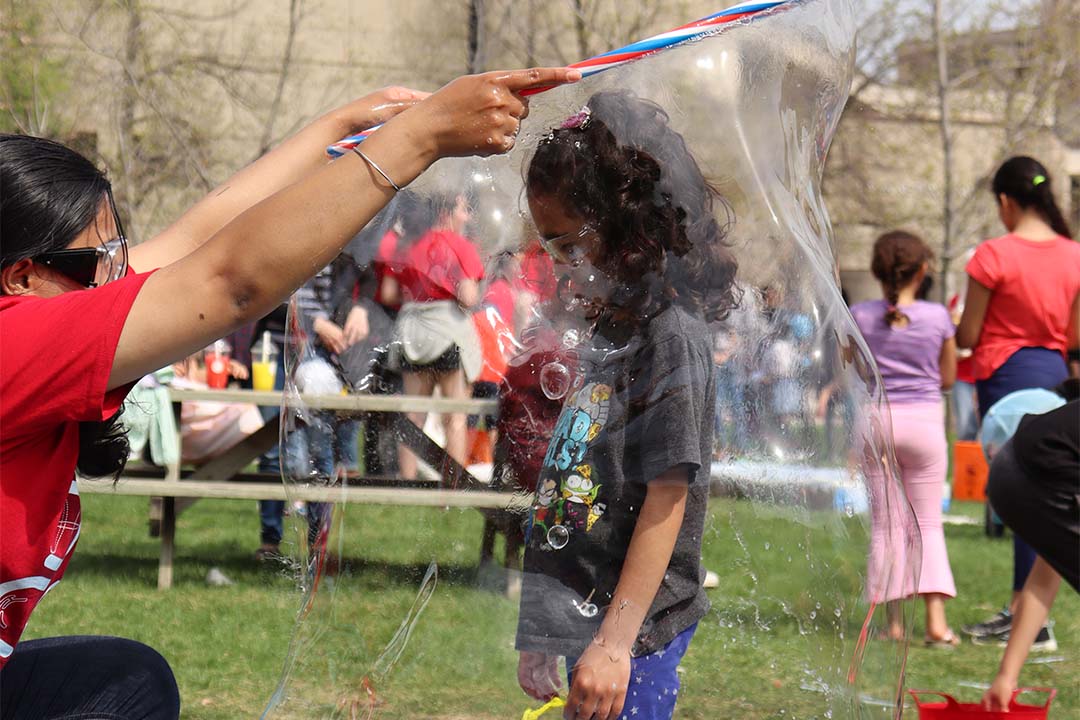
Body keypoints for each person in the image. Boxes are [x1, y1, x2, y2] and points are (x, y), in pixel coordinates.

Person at [0, 66, 580, 717]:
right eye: (99, 261)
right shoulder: (11, 345)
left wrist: (337, 132)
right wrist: (421, 138)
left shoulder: (35, 322)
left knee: (133, 679)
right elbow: (228, 283)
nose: (120, 277)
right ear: (21, 277)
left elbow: (197, 242)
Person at [514, 91, 738, 720]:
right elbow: (576, 481)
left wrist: (613, 644)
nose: (558, 267)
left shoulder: (671, 337)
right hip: (592, 624)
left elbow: (667, 498)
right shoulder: (612, 332)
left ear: (625, 228)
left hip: (634, 632)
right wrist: (544, 630)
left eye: (567, 245)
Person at [956, 156, 1080, 644]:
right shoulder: (1074, 254)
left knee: (1020, 493)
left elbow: (968, 332)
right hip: (1052, 375)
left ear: (1005, 202)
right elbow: (1074, 337)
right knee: (1046, 493)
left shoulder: (992, 255)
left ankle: (1028, 619)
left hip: (1005, 378)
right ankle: (1024, 611)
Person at [852, 231, 959, 646]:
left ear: (878, 272)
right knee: (928, 523)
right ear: (923, 270)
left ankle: (893, 624)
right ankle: (935, 620)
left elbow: (858, 371)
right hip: (924, 424)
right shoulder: (937, 318)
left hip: (877, 424)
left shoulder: (860, 316)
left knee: (886, 527)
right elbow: (948, 377)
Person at [981, 394, 1077, 710]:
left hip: (1011, 466)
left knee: (1050, 564)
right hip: (1037, 471)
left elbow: (1045, 574)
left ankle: (1006, 680)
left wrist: (1007, 675)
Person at [387, 192, 485, 479]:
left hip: (413, 333)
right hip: (448, 331)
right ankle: (450, 489)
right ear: (446, 212)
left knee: (413, 416)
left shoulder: (409, 245)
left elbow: (390, 293)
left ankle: (407, 484)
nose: (467, 217)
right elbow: (468, 297)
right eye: (463, 209)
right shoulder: (461, 246)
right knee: (454, 418)